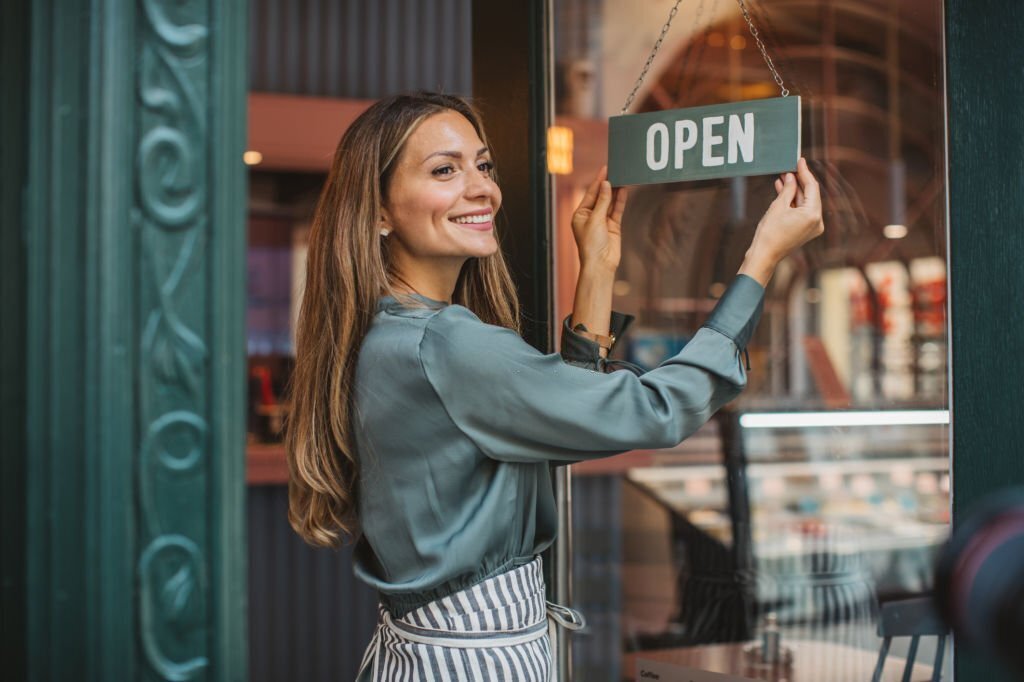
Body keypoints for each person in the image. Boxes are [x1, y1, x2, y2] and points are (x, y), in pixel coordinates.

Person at [286, 91, 824, 681]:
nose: (481, 187)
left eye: (483, 165)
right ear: (379, 212)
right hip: (478, 662)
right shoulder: (447, 344)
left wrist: (595, 269)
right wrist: (761, 260)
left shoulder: (388, 331)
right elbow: (657, 411)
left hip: (427, 650)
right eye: (445, 169)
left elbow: (567, 411)